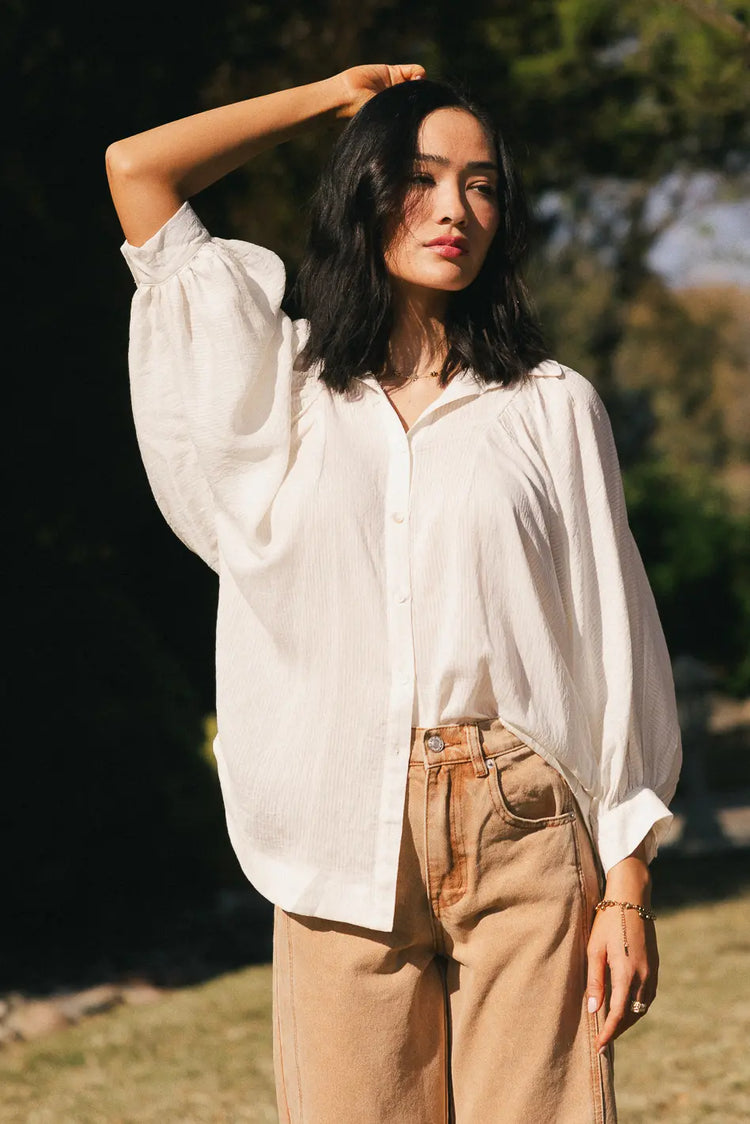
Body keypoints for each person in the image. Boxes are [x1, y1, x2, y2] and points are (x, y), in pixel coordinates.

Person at [106, 63, 682, 1123]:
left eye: (482, 185)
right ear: (366, 189)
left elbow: (616, 641)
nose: (456, 209)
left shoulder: (552, 408)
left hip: (523, 816)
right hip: (338, 825)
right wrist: (331, 99)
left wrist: (627, 888)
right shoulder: (282, 389)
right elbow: (139, 169)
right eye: (420, 178)